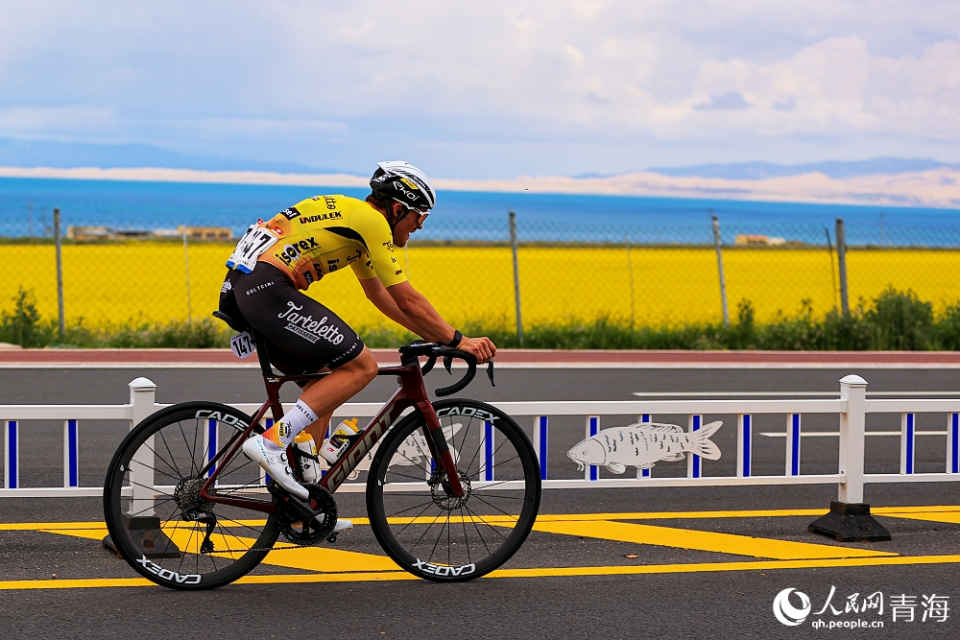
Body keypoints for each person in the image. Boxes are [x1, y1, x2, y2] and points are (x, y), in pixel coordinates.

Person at [218, 161, 496, 530]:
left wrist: (438, 337)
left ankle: (304, 509)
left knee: (323, 387)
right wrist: (459, 340)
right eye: (419, 215)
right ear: (397, 208)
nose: (420, 226)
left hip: (244, 291)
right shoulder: (371, 222)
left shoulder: (358, 225)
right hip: (267, 289)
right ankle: (272, 443)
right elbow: (407, 299)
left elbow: (384, 299)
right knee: (362, 367)